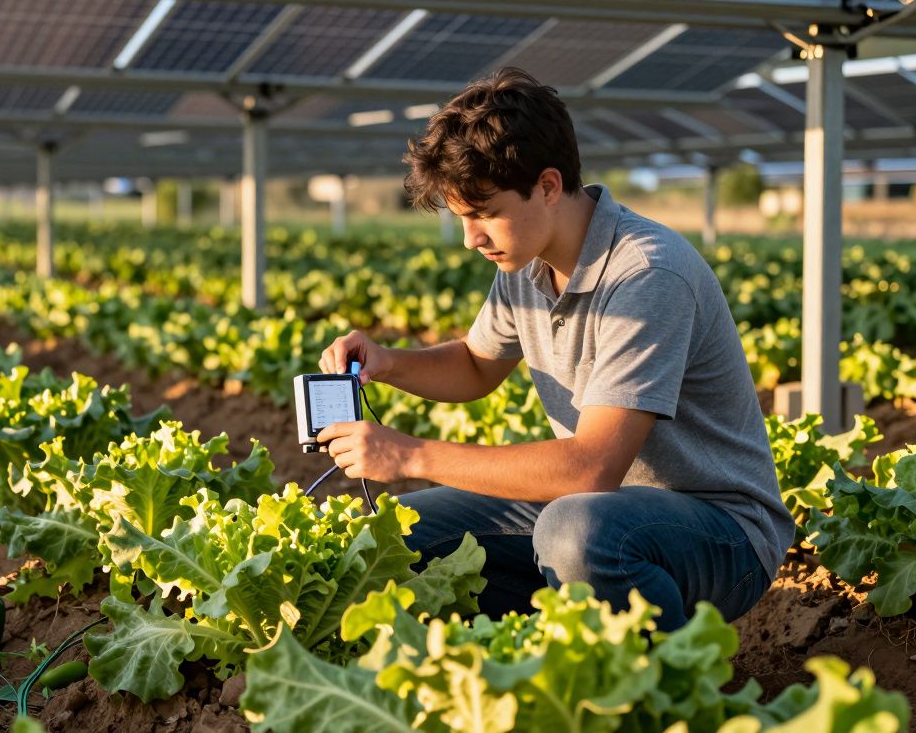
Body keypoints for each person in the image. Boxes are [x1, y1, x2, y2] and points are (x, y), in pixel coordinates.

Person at [315, 67, 793, 630]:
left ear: (546, 186)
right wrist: (388, 362)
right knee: (397, 539)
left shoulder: (647, 273)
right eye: (461, 218)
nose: (471, 239)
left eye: (482, 213)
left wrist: (408, 456)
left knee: (575, 534)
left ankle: (652, 690)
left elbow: (591, 468)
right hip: (593, 508)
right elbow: (474, 365)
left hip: (717, 529)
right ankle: (536, 660)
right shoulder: (526, 260)